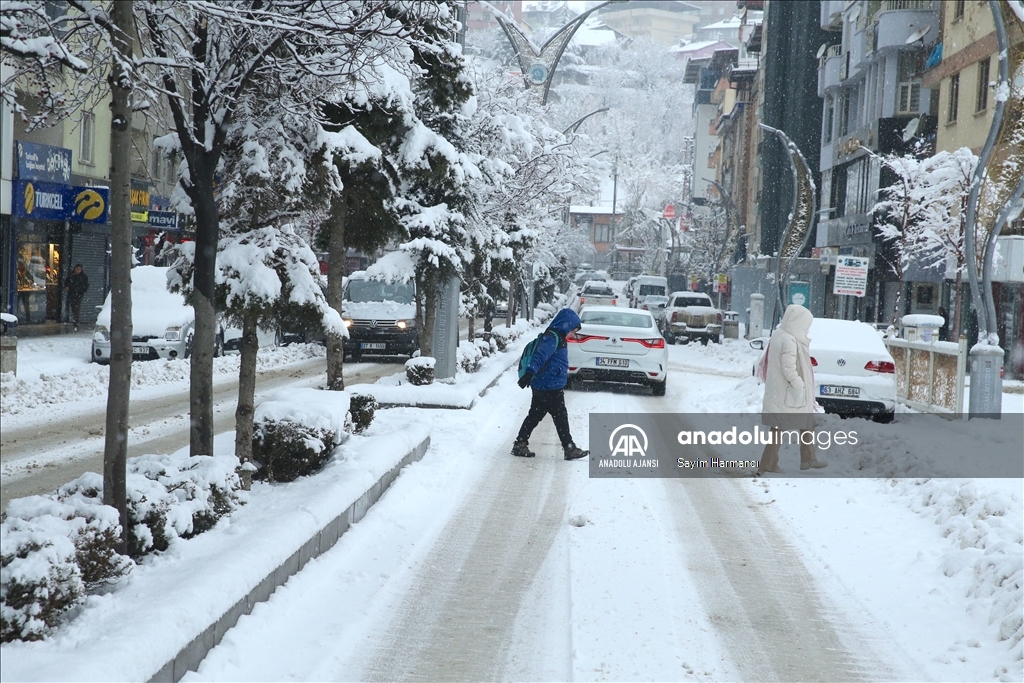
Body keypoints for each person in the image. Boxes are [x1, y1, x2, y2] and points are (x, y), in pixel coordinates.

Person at [757, 304, 827, 473]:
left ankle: (807, 459)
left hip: (780, 391)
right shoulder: (789, 340)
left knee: (804, 423)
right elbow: (788, 368)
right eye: (805, 325)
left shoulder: (780, 334)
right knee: (780, 428)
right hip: (788, 391)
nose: (807, 329)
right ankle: (769, 463)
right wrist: (799, 385)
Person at [513, 307, 589, 460]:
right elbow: (540, 356)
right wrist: (529, 372)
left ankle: (520, 444)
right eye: (572, 331)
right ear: (566, 325)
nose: (572, 334)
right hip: (549, 386)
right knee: (560, 416)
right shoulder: (552, 338)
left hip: (545, 384)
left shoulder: (557, 337)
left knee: (535, 415)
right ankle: (569, 448)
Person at [64, 264, 89, 330]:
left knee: (77, 307)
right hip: (72, 294)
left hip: (79, 294)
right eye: (76, 269)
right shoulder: (71, 276)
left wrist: (82, 290)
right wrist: (67, 287)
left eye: (79, 269)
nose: (77, 271)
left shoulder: (83, 277)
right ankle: (75, 319)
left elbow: (86, 285)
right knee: (73, 306)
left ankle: (76, 320)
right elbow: (66, 282)